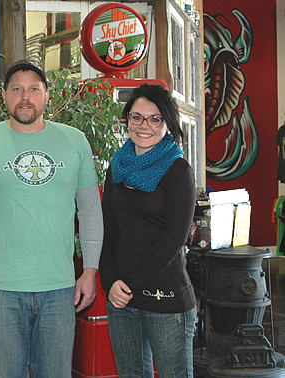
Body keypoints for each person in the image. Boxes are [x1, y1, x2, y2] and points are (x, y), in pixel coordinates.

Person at [0, 59, 103, 377]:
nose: (25, 96)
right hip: (1, 289)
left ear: (46, 96)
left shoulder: (74, 141)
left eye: (33, 89)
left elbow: (91, 210)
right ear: (4, 97)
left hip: (59, 288)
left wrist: (90, 271)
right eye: (17, 89)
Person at [99, 83, 197, 377]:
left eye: (155, 119)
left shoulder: (178, 170)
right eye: (137, 117)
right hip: (121, 297)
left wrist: (127, 283)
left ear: (167, 123)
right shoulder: (117, 167)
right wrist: (109, 281)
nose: (145, 126)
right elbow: (109, 231)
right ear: (127, 119)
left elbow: (173, 240)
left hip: (164, 297)